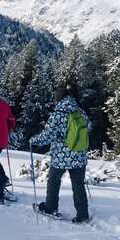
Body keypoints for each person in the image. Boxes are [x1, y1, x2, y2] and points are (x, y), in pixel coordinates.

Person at [30, 86, 91, 223]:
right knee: (78, 184)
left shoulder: (58, 114)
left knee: (54, 181)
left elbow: (48, 135)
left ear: (58, 98)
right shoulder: (79, 111)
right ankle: (83, 214)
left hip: (61, 157)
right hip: (79, 155)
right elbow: (89, 126)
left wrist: (33, 140)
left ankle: (50, 207)